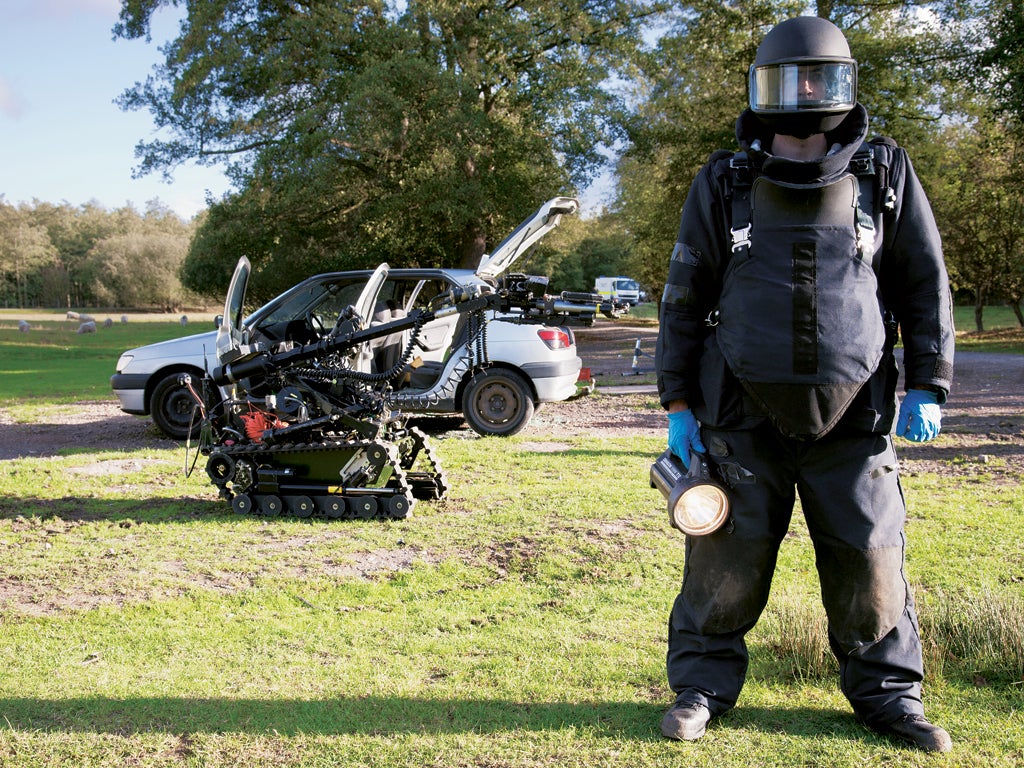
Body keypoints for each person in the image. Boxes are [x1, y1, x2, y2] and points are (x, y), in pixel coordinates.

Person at [654, 16, 955, 753]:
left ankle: (889, 699)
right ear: (761, 88)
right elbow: (684, 293)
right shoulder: (723, 182)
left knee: (869, 553)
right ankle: (701, 688)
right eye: (789, 79)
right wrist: (677, 403)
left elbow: (924, 281)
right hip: (738, 412)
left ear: (842, 84)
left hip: (855, 413)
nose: (804, 92)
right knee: (725, 559)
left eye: (818, 78)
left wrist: (930, 384)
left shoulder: (883, 172)